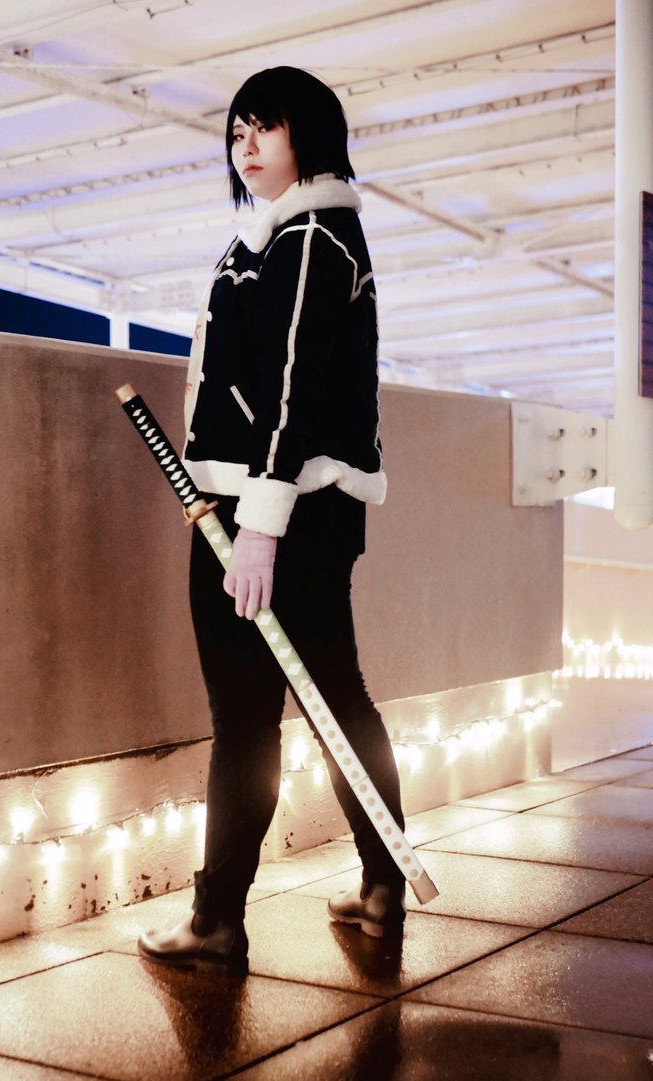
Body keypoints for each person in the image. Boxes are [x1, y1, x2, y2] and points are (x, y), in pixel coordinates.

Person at [138, 66, 406, 976]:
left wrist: (258, 528)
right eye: (237, 130)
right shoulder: (285, 234)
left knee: (252, 720)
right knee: (333, 702)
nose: (245, 145)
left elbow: (293, 392)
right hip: (279, 508)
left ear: (310, 135)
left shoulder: (311, 235)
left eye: (266, 127)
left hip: (272, 513)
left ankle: (217, 921)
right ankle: (379, 887)